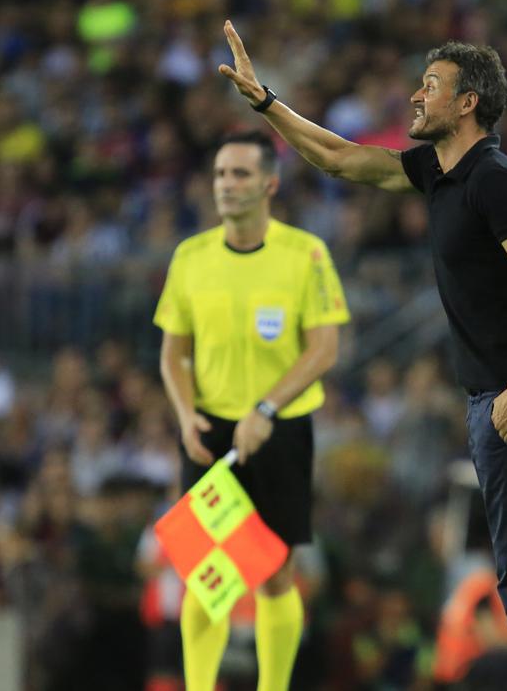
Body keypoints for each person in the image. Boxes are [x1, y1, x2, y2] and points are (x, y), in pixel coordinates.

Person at [217, 21, 507, 690]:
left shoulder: (495, 181)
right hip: (496, 393)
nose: (415, 95)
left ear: (467, 104)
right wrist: (265, 101)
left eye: (431, 85)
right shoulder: (440, 172)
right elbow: (338, 157)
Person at [154, 130, 351, 691]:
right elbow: (172, 356)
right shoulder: (190, 258)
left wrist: (267, 406)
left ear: (269, 183)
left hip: (280, 430)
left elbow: (324, 348)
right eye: (220, 174)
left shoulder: (305, 253)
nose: (226, 185)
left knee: (273, 574)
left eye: (239, 174)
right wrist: (185, 414)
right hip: (210, 432)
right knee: (203, 577)